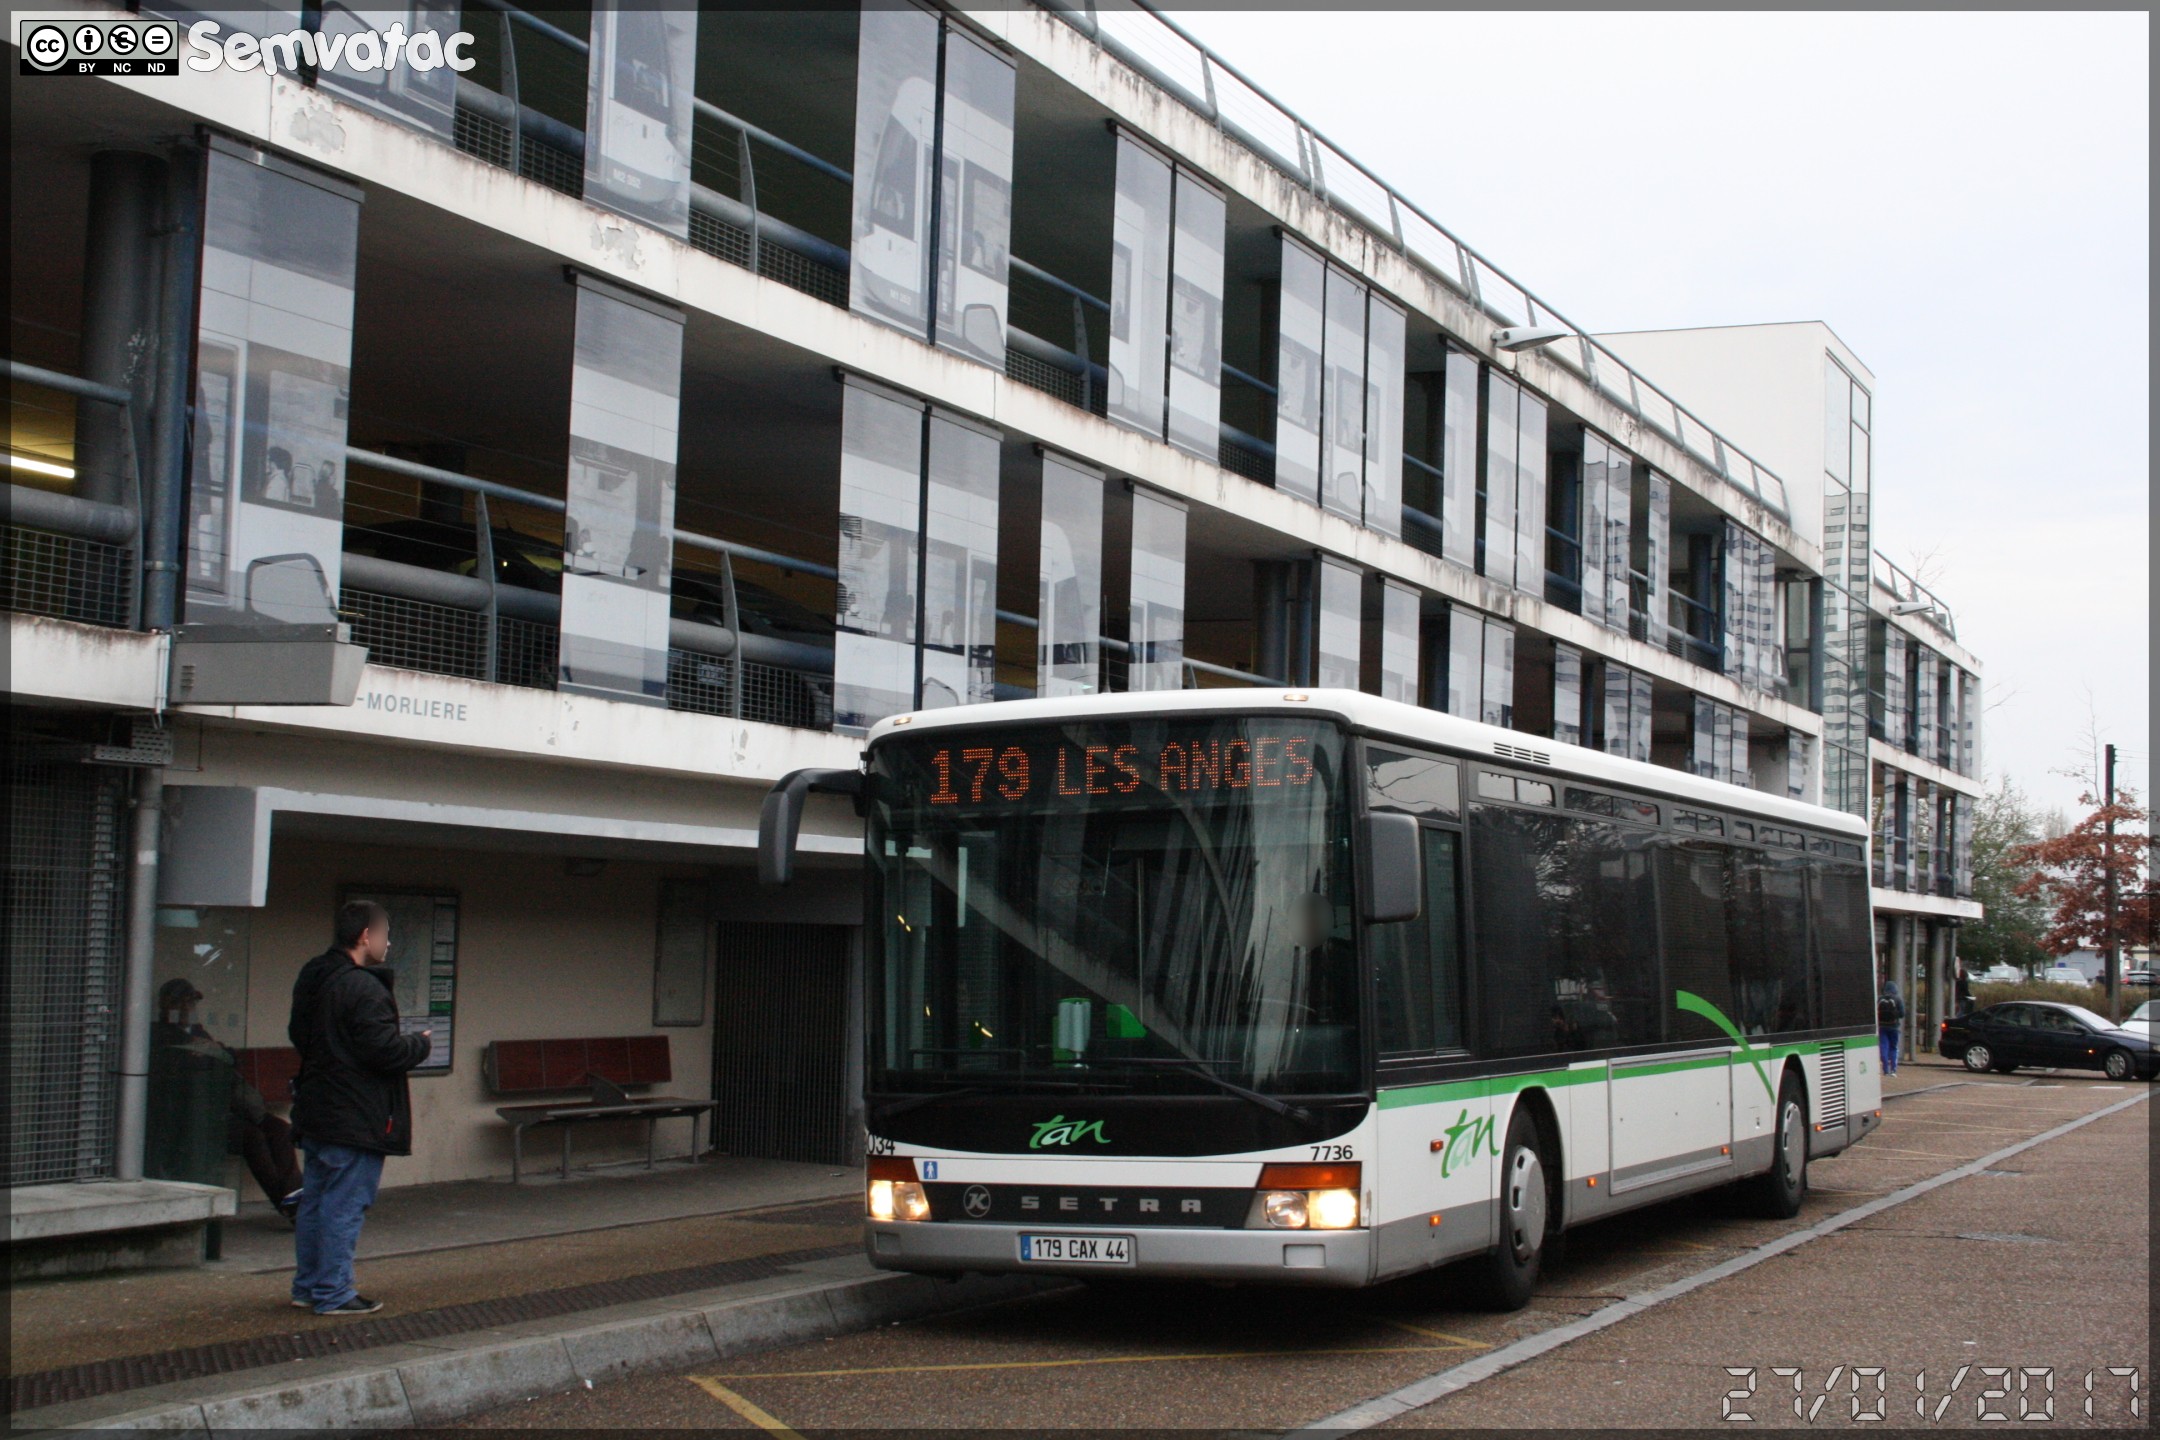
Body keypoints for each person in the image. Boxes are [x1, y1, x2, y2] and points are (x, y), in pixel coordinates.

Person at [287, 900, 430, 1316]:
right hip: (355, 1115)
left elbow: (299, 1033)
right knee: (344, 1205)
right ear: (366, 936)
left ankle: (308, 1286)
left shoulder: (314, 976)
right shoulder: (364, 988)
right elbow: (384, 1050)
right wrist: (419, 1044)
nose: (388, 944)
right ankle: (334, 1292)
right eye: (385, 935)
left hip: (317, 1107)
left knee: (315, 1202)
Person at [154, 978, 304, 1219]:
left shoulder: (197, 1030)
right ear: (167, 1006)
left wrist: (213, 1050)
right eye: (181, 1003)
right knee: (253, 1138)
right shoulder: (161, 1033)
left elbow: (230, 1056)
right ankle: (290, 1206)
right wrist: (200, 1054)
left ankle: (296, 1200)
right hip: (198, 1115)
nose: (187, 1009)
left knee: (281, 1130)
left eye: (190, 1003)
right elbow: (174, 1069)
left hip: (233, 1107)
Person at [1877, 980, 1906, 1077]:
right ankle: (1893, 1069)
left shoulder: (1879, 999)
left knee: (1883, 1046)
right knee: (1893, 1048)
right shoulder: (1898, 999)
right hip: (1894, 1027)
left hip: (1882, 1027)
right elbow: (1902, 1014)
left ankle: (1885, 1069)